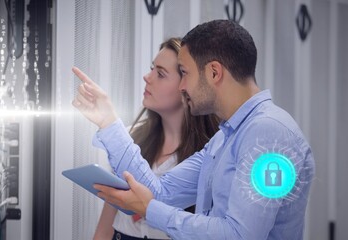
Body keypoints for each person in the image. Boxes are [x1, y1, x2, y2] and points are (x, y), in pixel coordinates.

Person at [73, 20, 315, 239]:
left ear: (214, 72)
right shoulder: (224, 139)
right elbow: (160, 192)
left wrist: (151, 210)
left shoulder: (270, 134)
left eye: (185, 73)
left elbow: (240, 235)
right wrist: (108, 121)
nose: (182, 86)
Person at [90, 38, 219, 240]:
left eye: (160, 74)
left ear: (186, 84)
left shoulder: (209, 152)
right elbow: (105, 225)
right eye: (152, 69)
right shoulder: (131, 139)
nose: (147, 77)